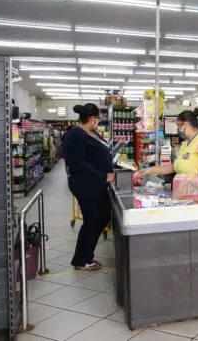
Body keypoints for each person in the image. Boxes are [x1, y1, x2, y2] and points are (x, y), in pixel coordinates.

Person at [63, 104, 114, 271]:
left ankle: (86, 256)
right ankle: (82, 260)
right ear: (92, 118)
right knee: (93, 220)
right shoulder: (75, 135)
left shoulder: (87, 132)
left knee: (101, 217)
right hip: (85, 184)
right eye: (97, 119)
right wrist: (104, 176)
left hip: (94, 183)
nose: (98, 122)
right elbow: (78, 164)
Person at [138, 110, 198, 176]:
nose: (178, 129)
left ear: (186, 124)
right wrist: (150, 170)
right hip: (186, 188)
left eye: (179, 125)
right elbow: (174, 167)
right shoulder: (185, 144)